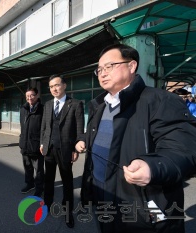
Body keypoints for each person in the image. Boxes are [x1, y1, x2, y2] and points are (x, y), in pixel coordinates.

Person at [79, 44, 196, 233]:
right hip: (103, 193)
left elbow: (184, 149)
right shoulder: (99, 106)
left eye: (109, 66)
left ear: (132, 66)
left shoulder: (160, 100)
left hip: (143, 203)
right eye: (99, 69)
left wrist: (152, 166)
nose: (102, 73)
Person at [40, 74, 85, 228]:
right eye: (51, 86)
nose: (54, 89)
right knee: (48, 179)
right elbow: (44, 126)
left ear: (64, 85)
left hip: (66, 149)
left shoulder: (75, 104)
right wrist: (42, 143)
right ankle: (47, 204)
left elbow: (79, 130)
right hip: (49, 148)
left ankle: (67, 213)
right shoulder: (47, 105)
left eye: (57, 85)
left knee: (67, 182)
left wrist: (75, 149)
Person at [19, 87, 44, 197]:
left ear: (37, 95)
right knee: (27, 167)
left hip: (36, 146)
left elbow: (45, 128)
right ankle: (30, 184)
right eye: (27, 96)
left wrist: (43, 143)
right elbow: (22, 127)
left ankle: (39, 188)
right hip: (24, 144)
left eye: (32, 95)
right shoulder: (23, 109)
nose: (29, 98)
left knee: (38, 170)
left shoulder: (43, 109)